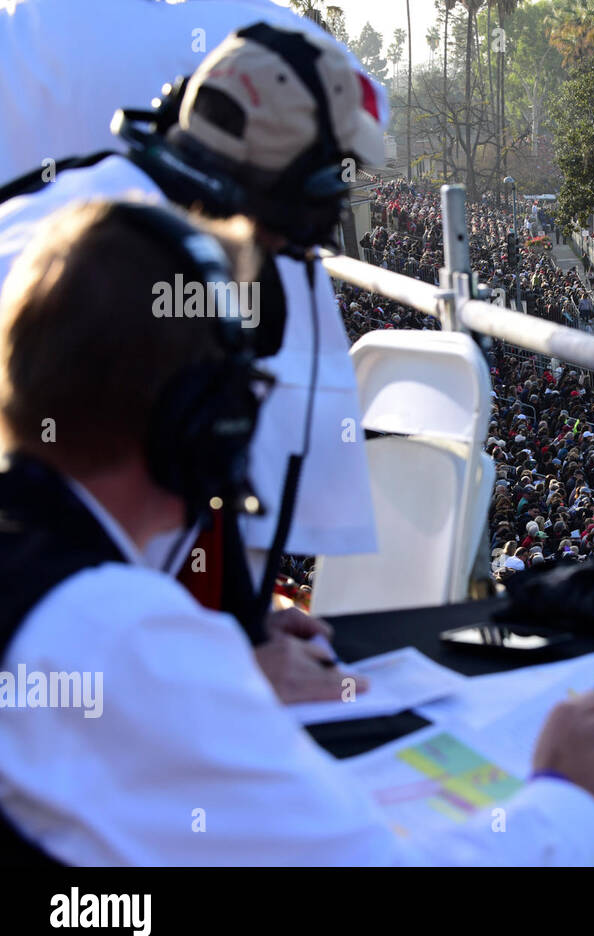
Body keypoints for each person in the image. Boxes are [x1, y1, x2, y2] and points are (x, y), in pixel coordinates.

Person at [0, 199, 594, 866]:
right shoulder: (116, 633)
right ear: (202, 419)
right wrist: (569, 792)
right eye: (244, 394)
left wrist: (219, 669)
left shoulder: (78, 597)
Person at [0, 21, 387, 643]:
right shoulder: (111, 266)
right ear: (299, 192)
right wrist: (221, 665)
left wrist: (244, 627)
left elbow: (184, 476)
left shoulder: (96, 205)